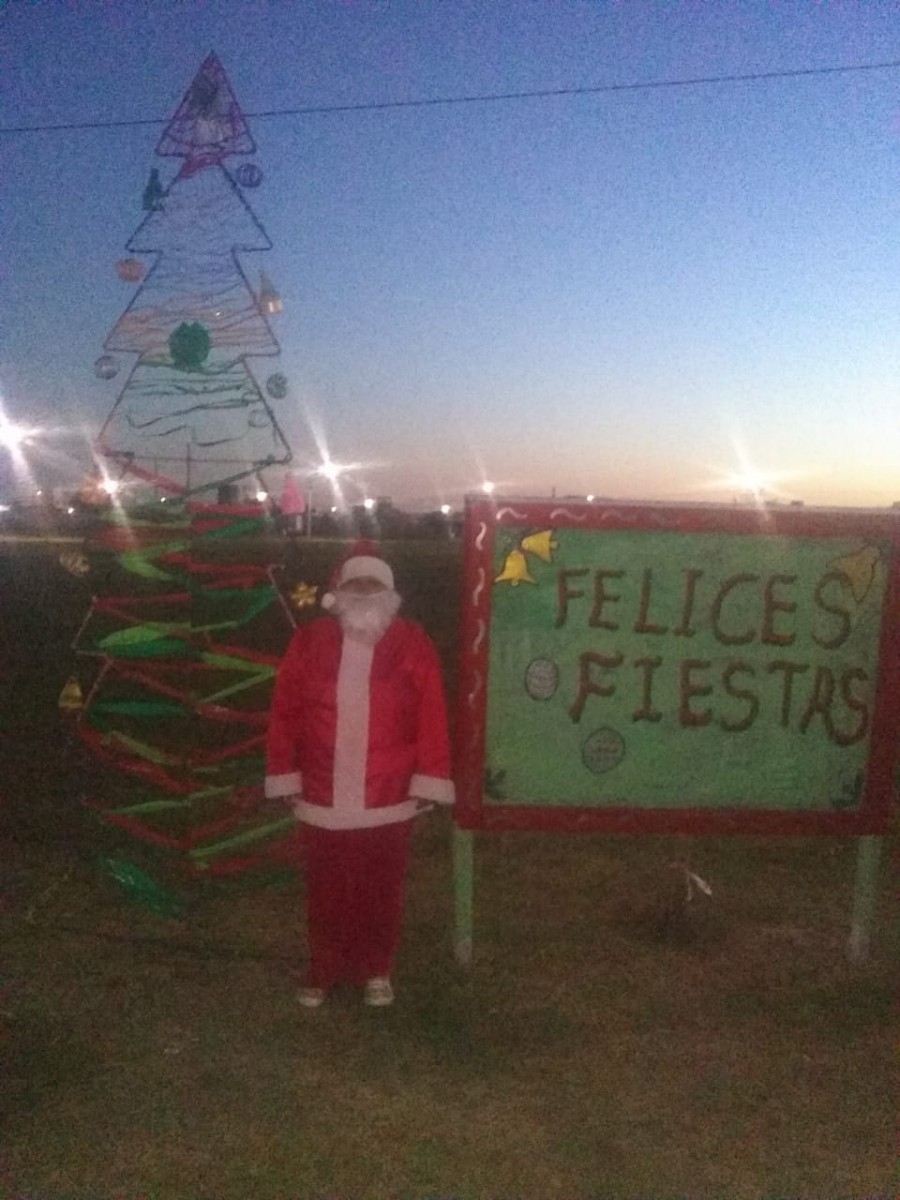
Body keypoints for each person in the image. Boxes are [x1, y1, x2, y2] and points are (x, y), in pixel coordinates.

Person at [265, 540, 454, 1007]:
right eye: (356, 584)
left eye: (374, 586)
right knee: (326, 886)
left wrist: (428, 777)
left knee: (381, 886)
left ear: (389, 593)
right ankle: (325, 966)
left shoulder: (412, 642)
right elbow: (285, 711)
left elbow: (431, 711)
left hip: (388, 791)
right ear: (340, 591)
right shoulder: (309, 642)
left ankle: (376, 968)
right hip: (322, 788)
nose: (365, 593)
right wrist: (285, 773)